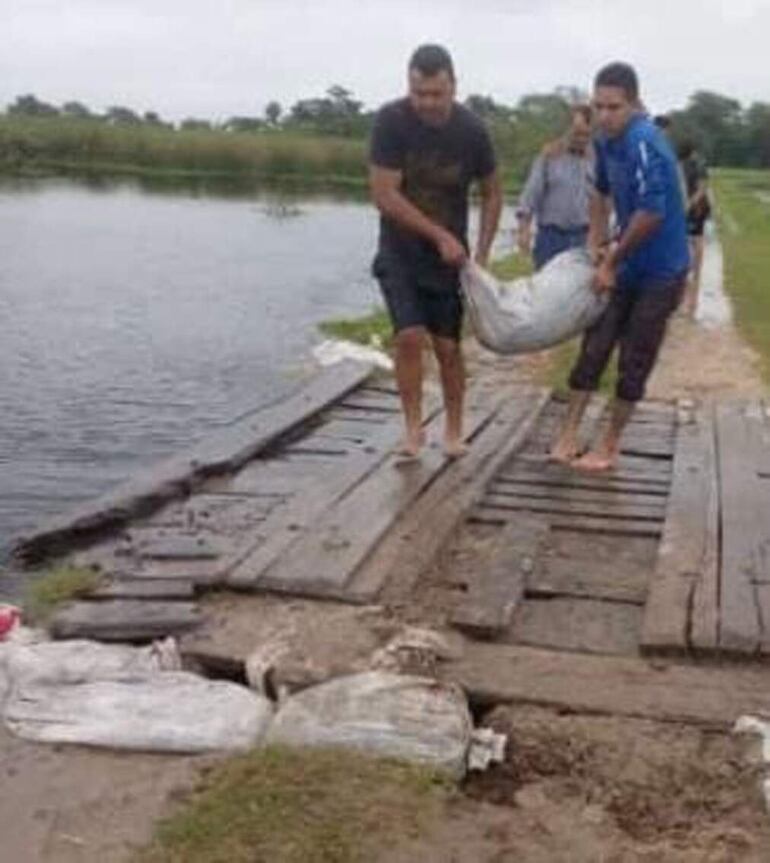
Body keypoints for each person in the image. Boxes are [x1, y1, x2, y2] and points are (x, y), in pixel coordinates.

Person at [549, 62, 689, 472]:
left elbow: (651, 214)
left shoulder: (645, 141)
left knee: (634, 358)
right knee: (594, 346)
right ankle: (569, 432)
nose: (605, 115)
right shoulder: (604, 141)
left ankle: (609, 444)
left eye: (614, 107)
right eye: (599, 106)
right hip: (625, 262)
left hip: (661, 269)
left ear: (633, 104)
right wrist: (595, 240)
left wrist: (611, 259)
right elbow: (600, 192)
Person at [369, 44, 502, 458]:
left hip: (449, 259)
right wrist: (436, 234)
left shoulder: (473, 131)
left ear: (453, 87)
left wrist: (480, 252)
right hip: (400, 250)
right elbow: (385, 195)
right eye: (418, 93)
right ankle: (413, 429)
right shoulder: (391, 122)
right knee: (408, 337)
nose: (426, 103)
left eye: (435, 94)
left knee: (447, 347)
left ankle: (454, 428)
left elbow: (493, 191)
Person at [516, 105, 594, 270]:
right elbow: (530, 196)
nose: (581, 139)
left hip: (583, 237)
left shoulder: (596, 160)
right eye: (576, 133)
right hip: (551, 238)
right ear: (566, 130)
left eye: (586, 134)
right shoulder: (549, 157)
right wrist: (524, 231)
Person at [678, 140, 711, 317]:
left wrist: (687, 205)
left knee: (694, 240)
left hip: (693, 209)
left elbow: (701, 189)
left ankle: (694, 272)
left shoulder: (684, 165)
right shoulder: (696, 164)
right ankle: (691, 274)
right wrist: (688, 205)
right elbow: (702, 189)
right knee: (692, 240)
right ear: (693, 151)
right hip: (694, 208)